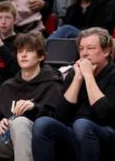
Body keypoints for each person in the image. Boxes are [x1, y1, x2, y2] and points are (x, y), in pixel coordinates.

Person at [0, 32, 62, 161]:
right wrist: (2, 121)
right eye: (20, 51)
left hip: (39, 142)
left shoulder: (52, 83)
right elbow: (1, 115)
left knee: (20, 121)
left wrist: (33, 107)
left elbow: (57, 119)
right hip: (9, 140)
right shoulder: (8, 86)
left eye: (29, 51)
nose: (23, 55)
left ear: (41, 56)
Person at [32, 27, 115, 161]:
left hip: (106, 133)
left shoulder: (112, 74)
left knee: (82, 124)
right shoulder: (74, 74)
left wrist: (89, 77)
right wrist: (77, 79)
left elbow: (104, 114)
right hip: (76, 132)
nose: (84, 54)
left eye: (90, 48)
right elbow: (60, 116)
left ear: (106, 51)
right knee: (43, 124)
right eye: (81, 49)